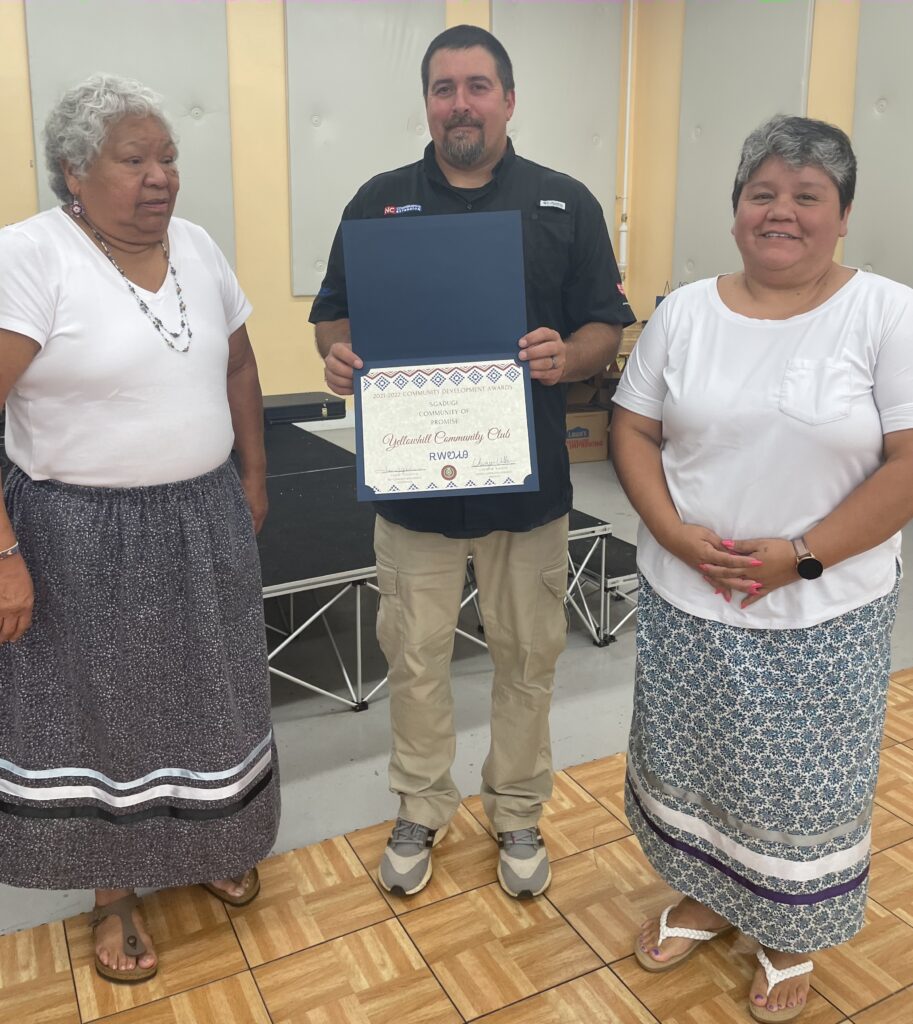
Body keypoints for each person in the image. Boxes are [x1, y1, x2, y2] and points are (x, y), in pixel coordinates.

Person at [312, 25, 634, 900]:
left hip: (527, 491)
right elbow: (332, 317)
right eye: (444, 87)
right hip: (415, 490)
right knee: (413, 657)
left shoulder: (564, 203)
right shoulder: (375, 203)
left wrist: (571, 356)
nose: (461, 103)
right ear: (426, 102)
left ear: (508, 98)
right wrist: (337, 358)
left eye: (478, 86)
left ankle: (518, 809)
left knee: (528, 658)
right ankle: (421, 804)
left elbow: (605, 319)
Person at [610, 114, 913, 1022]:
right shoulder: (685, 311)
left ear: (842, 214)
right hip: (687, 602)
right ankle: (710, 898)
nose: (780, 212)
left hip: (823, 615)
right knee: (699, 763)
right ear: (736, 209)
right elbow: (632, 426)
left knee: (796, 782)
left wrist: (803, 556)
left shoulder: (885, 312)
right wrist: (666, 530)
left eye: (806, 196)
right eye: (761, 194)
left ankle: (787, 935)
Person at [0, 74, 279, 983]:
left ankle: (207, 848)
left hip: (201, 517)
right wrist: (4, 555)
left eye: (167, 157)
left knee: (212, 695)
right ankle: (111, 891)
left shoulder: (196, 247)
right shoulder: (31, 258)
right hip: (77, 534)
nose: (160, 176)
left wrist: (253, 475)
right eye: (134, 159)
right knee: (104, 717)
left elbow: (240, 364)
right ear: (75, 172)